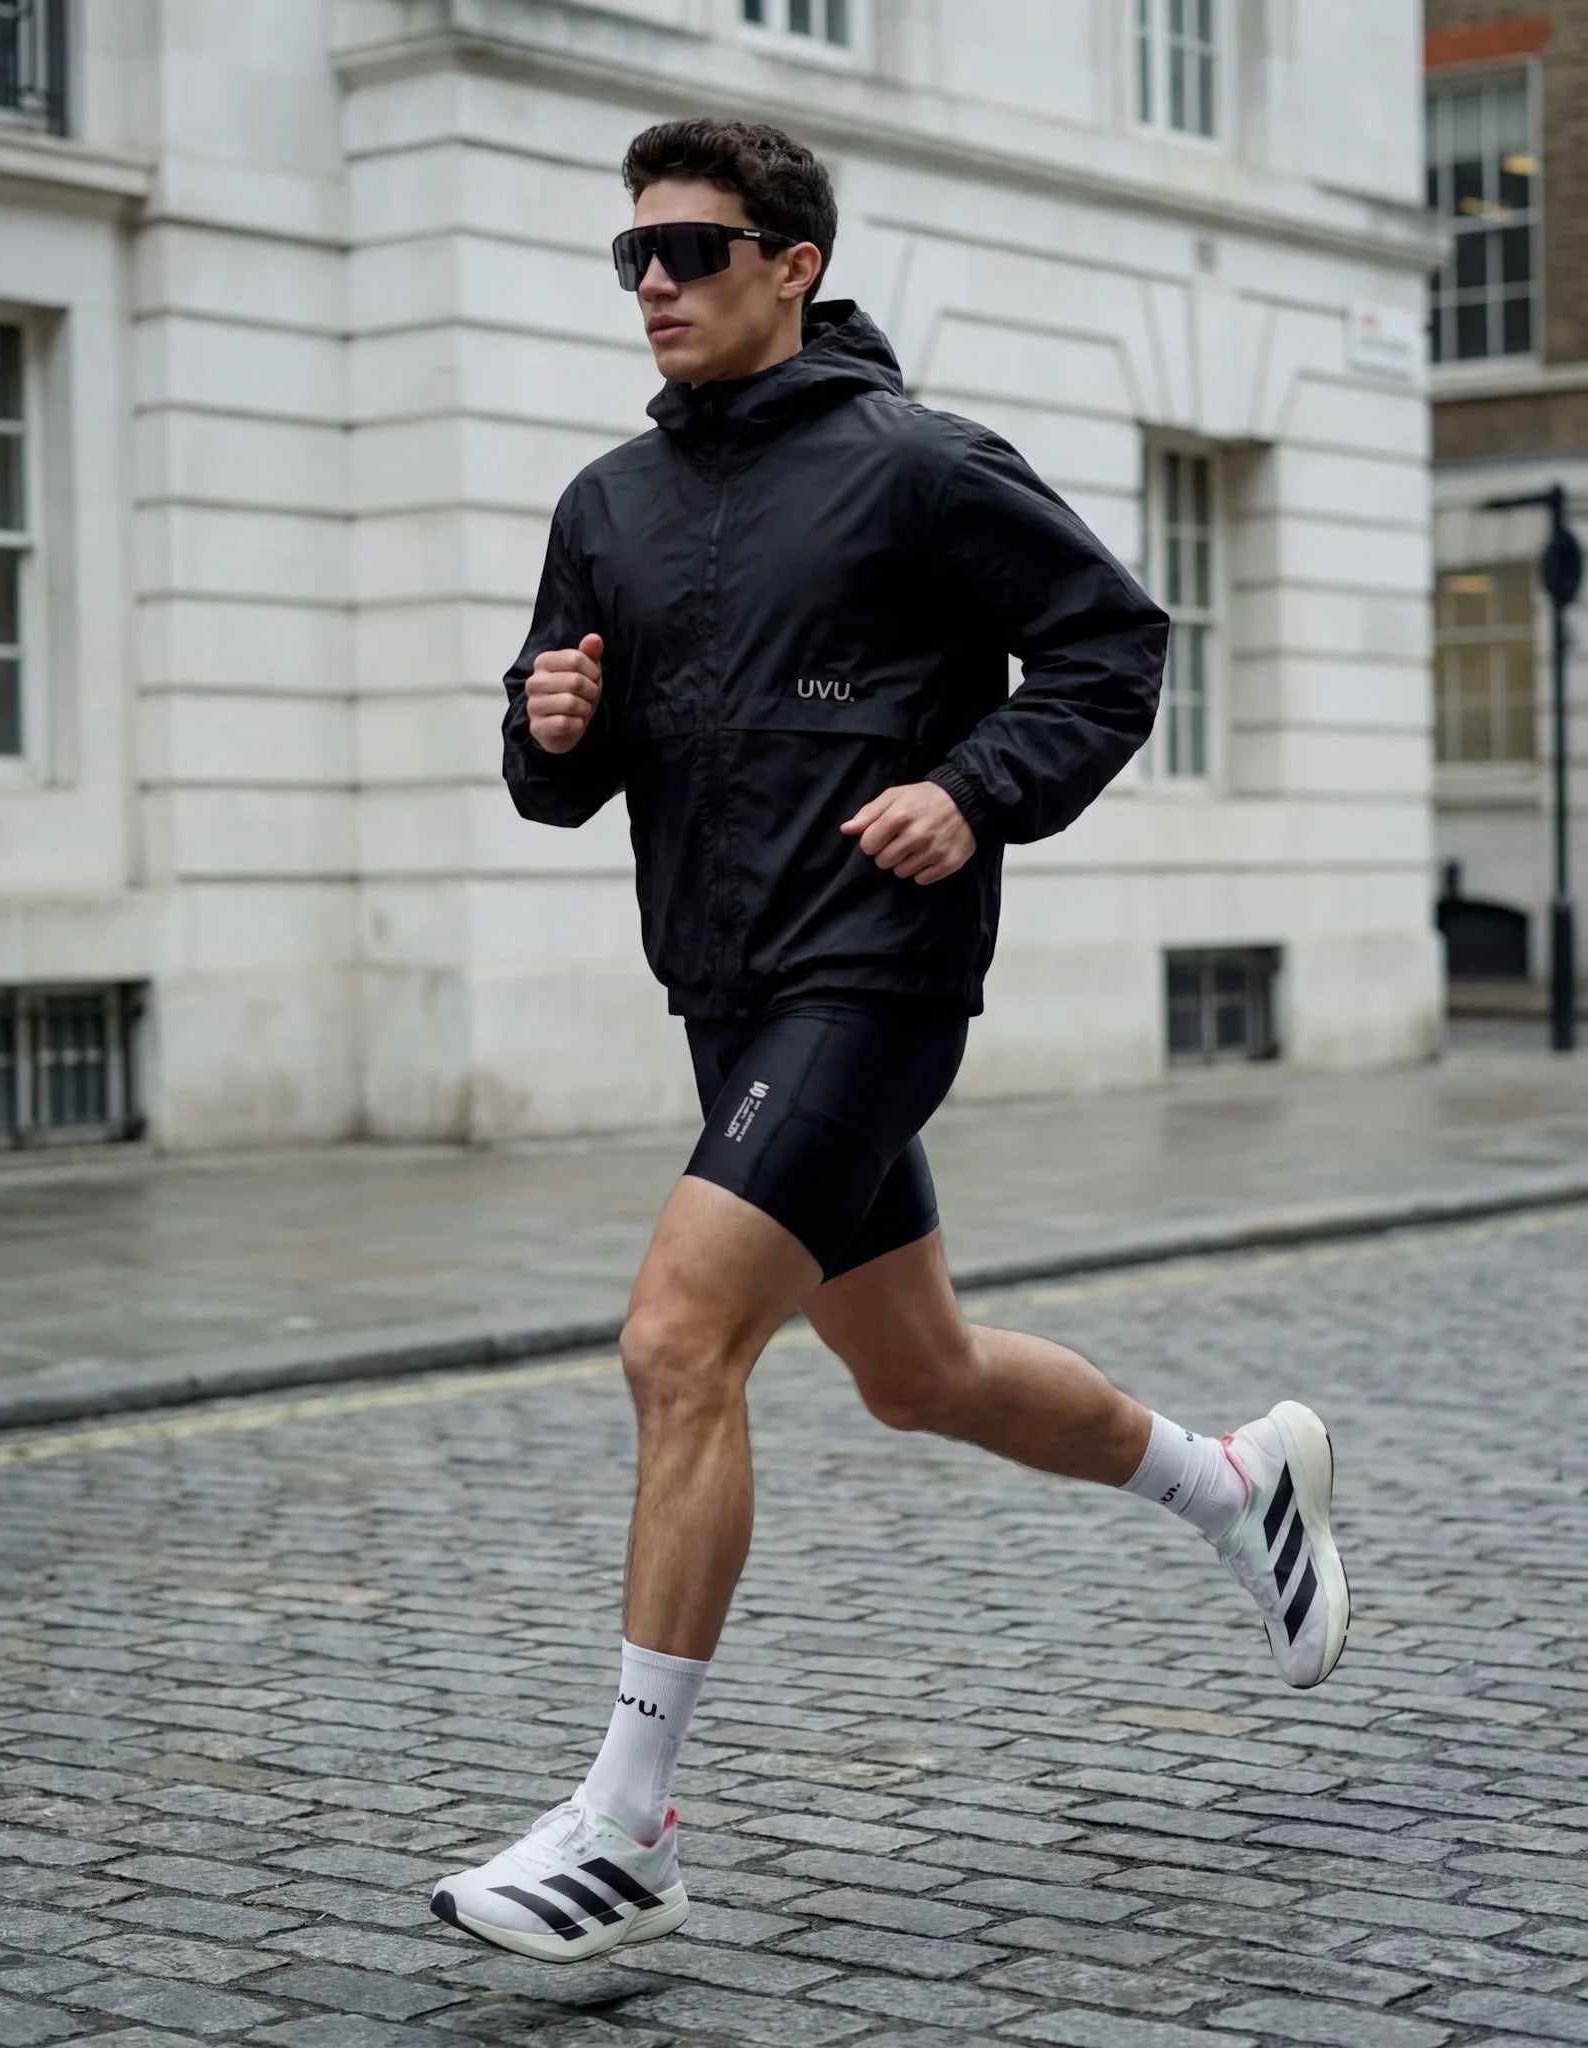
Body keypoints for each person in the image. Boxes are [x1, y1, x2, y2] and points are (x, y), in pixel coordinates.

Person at [430, 118, 1349, 1964]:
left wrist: (970, 790)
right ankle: (1234, 1483)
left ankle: (626, 1825)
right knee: (917, 1372)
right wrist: (547, 722)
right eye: (632, 256)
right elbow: (557, 781)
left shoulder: (918, 466)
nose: (654, 284)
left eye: (691, 250)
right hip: (723, 989)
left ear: (793, 267)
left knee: (678, 1342)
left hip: (873, 978)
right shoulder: (605, 503)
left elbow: (1108, 648)